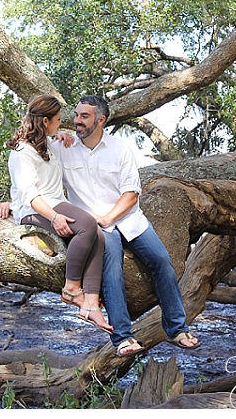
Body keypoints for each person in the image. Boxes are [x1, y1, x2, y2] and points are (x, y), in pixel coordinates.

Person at [54, 95, 200, 357]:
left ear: (101, 120)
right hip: (94, 227)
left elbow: (131, 193)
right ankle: (123, 337)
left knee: (162, 261)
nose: (77, 121)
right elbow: (32, 161)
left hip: (128, 220)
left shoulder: (120, 150)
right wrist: (15, 201)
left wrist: (109, 218)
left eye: (84, 116)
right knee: (112, 270)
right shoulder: (63, 147)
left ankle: (177, 328)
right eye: (76, 115)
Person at [5, 95, 112, 334]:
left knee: (99, 235)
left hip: (54, 203)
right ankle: (72, 287)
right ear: (45, 121)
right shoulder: (21, 153)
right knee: (86, 223)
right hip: (36, 210)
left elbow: (58, 146)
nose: (61, 124)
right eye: (57, 120)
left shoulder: (48, 145)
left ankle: (92, 304)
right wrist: (54, 217)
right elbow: (29, 195)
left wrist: (61, 137)